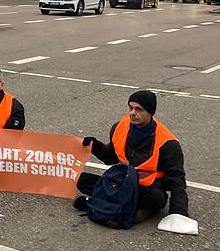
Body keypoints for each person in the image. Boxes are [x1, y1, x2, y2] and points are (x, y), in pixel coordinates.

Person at [74, 90, 190, 221]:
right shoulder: (119, 127)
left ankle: (99, 202)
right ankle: (130, 209)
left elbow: (177, 179)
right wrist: (95, 146)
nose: (132, 113)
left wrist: (178, 213)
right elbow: (111, 158)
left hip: (146, 188)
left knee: (156, 199)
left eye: (138, 109)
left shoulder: (168, 143)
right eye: (131, 107)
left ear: (150, 112)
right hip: (122, 181)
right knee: (81, 179)